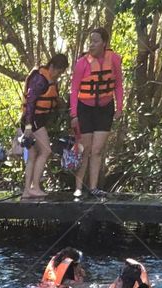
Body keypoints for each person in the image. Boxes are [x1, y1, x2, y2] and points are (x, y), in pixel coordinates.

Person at [70, 27, 123, 200]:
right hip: (85, 108)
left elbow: (118, 85)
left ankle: (93, 188)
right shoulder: (82, 63)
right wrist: (74, 114)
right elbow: (75, 89)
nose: (91, 45)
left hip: (105, 108)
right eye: (90, 41)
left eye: (95, 41)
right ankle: (78, 187)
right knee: (86, 149)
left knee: (98, 150)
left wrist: (119, 108)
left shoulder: (113, 59)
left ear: (104, 43)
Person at [21, 54, 69, 200]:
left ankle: (27, 190)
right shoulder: (40, 79)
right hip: (33, 120)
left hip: (38, 120)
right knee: (46, 150)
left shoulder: (51, 81)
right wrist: (28, 126)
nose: (58, 75)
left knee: (33, 155)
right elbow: (30, 103)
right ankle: (35, 186)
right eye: (58, 72)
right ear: (52, 66)